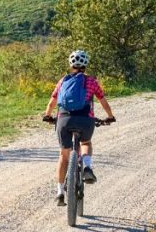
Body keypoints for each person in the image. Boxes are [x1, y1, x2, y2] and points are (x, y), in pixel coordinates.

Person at [42, 49, 116, 206]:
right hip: (85, 120)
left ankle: (60, 192)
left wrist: (47, 115)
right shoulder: (91, 81)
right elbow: (103, 101)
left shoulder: (63, 81)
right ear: (85, 65)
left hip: (64, 120)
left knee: (64, 155)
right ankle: (87, 167)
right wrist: (110, 116)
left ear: (71, 65)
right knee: (86, 143)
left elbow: (52, 102)